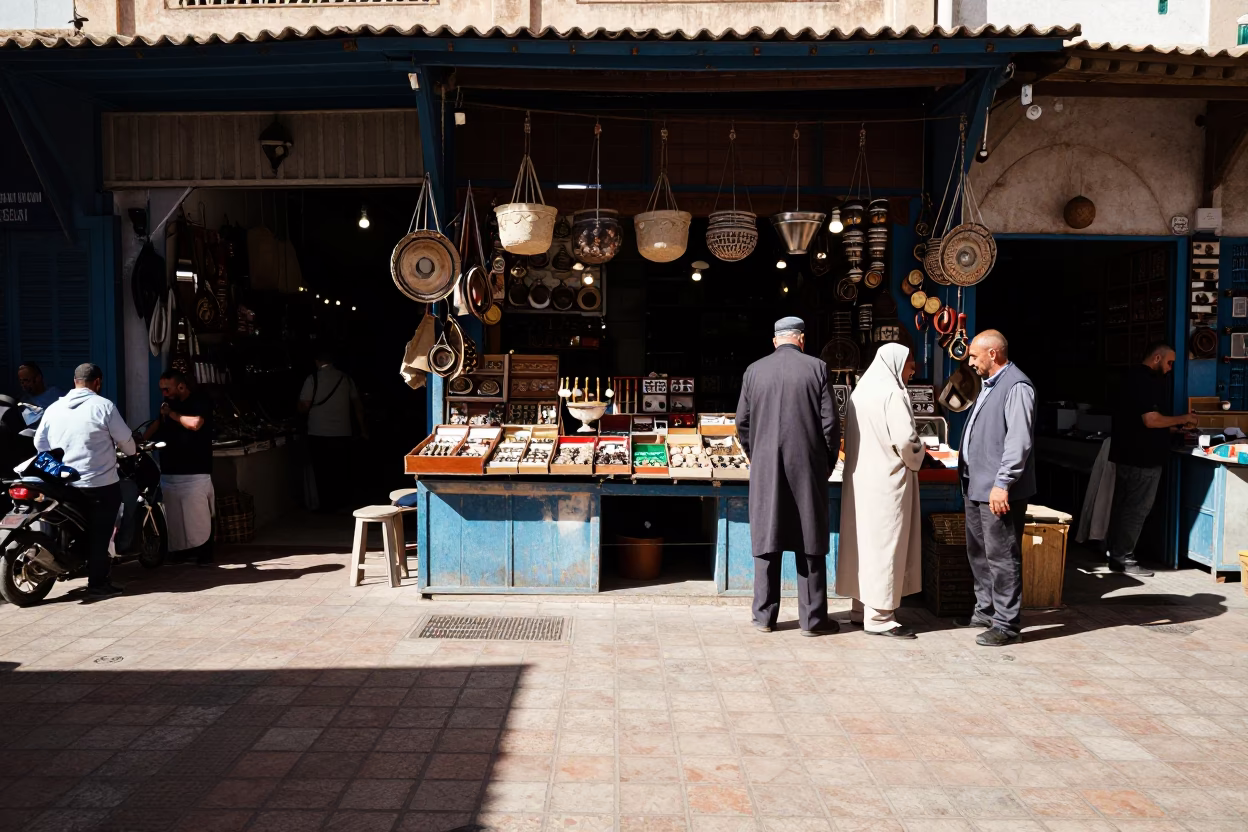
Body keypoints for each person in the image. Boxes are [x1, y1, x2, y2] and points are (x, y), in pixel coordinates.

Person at [736, 316, 841, 636]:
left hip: (766, 468)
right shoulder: (817, 368)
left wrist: (759, 455)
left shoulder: (754, 371)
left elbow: (742, 422)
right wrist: (825, 464)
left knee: (768, 538)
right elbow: (830, 425)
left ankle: (764, 617)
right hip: (807, 469)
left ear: (774, 341)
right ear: (802, 339)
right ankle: (813, 620)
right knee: (809, 539)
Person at [837, 344, 925, 639]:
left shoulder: (860, 392)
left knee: (863, 546)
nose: (913, 369)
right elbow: (905, 440)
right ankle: (881, 618)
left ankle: (860, 609)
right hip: (887, 482)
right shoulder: (893, 393)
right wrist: (919, 453)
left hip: (860, 481)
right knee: (886, 548)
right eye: (910, 363)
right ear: (896, 363)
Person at [957, 330, 1036, 647]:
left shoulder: (1016, 385)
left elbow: (1019, 441)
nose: (970, 361)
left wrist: (1003, 482)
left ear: (993, 354)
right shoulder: (988, 385)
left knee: (1002, 556)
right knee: (979, 552)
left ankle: (1006, 623)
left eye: (974, 355)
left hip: (998, 490)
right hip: (976, 485)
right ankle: (986, 611)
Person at [33, 363, 135, 599]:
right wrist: (132, 452)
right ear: (97, 382)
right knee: (101, 532)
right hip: (99, 484)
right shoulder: (104, 406)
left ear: (75, 381)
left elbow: (40, 444)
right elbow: (126, 441)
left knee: (73, 527)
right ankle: (97, 583)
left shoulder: (54, 408)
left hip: (64, 485)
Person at [1105, 343, 1196, 577]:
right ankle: (1123, 557)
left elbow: (1141, 421)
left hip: (1127, 455)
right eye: (1169, 363)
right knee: (1136, 509)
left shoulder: (1130, 377)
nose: (1170, 369)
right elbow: (1151, 420)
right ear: (1157, 358)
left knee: (1124, 507)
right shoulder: (1146, 382)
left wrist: (1173, 427)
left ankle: (1114, 553)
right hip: (1142, 457)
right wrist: (1182, 418)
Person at [144, 370, 215, 565]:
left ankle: (203, 553)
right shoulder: (167, 404)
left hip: (195, 470)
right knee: (175, 516)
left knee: (197, 516)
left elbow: (195, 423)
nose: (164, 393)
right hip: (170, 469)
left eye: (167, 389)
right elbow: (158, 424)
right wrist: (140, 440)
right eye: (162, 390)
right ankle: (180, 551)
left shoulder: (199, 401)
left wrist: (172, 414)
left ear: (181, 386)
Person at [298, 347, 367, 513]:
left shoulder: (312, 379)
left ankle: (326, 506)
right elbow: (357, 406)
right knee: (341, 470)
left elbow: (303, 406)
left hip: (318, 433)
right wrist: (363, 429)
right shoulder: (345, 379)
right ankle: (342, 503)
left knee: (322, 472)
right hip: (342, 432)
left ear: (317, 361)